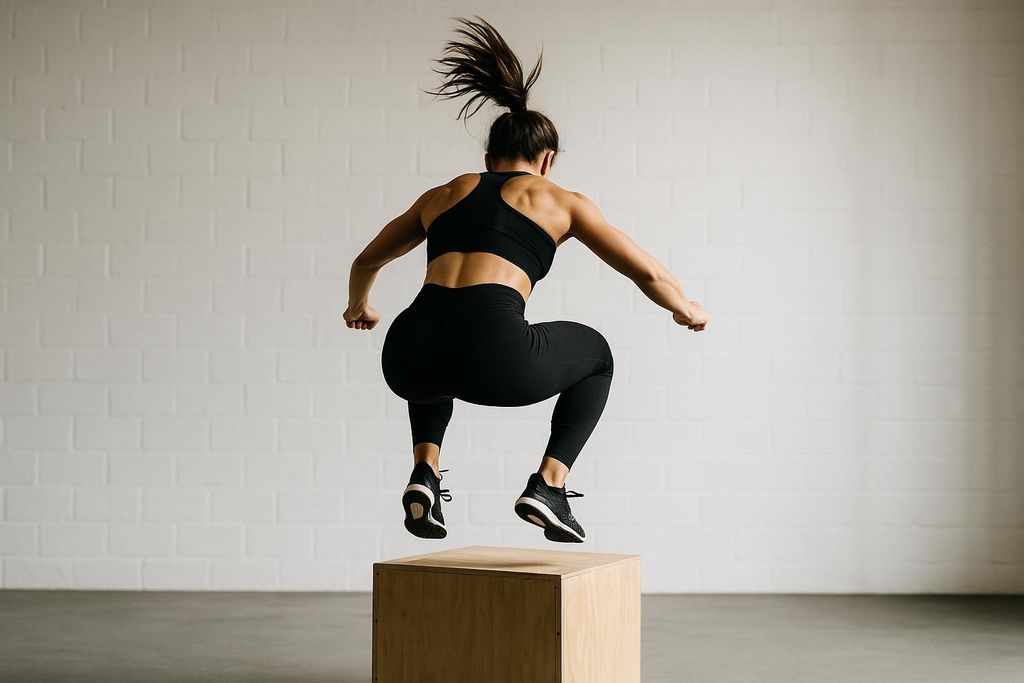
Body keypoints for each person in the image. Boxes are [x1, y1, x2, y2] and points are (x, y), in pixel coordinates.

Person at [343, 16, 707, 543]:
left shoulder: (443, 193)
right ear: (547, 161)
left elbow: (365, 261)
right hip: (495, 356)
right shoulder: (560, 200)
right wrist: (684, 306)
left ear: (487, 159)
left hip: (407, 353)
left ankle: (425, 470)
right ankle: (549, 485)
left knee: (436, 346)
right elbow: (644, 270)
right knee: (597, 354)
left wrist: (361, 307)